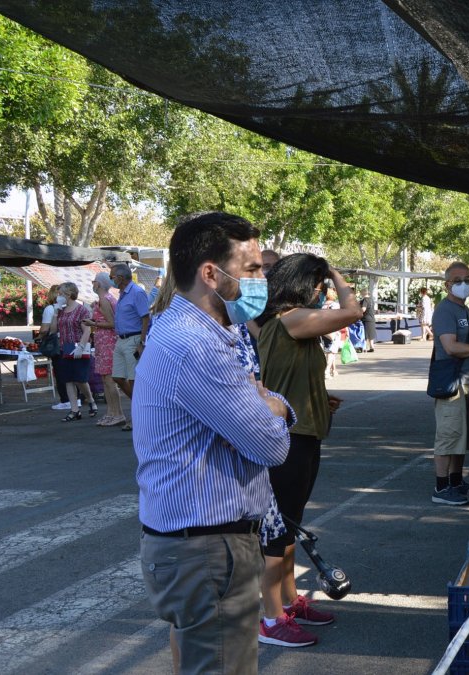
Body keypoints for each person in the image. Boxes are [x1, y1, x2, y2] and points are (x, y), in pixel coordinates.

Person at [135, 211, 293, 674]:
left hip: (198, 547)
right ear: (210, 273)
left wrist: (267, 402)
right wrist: (279, 408)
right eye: (253, 269)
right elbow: (270, 446)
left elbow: (255, 406)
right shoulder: (197, 345)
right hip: (208, 552)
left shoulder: (195, 333)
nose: (262, 279)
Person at [256, 254, 361, 647]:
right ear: (306, 284)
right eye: (320, 285)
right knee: (276, 534)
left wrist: (319, 397)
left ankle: (288, 602)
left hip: (303, 434)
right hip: (289, 440)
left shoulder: (289, 322)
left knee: (287, 532)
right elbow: (353, 311)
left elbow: (290, 377)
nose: (324, 292)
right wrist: (336, 273)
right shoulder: (292, 319)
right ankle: (270, 619)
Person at [429, 262, 469, 505]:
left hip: (467, 383)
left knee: (462, 436)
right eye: (458, 280)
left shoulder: (465, 310)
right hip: (452, 383)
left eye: (468, 279)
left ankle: (456, 481)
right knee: (448, 436)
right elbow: (451, 347)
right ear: (447, 284)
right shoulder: (445, 310)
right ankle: (441, 488)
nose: (464, 284)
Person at [110, 263, 152, 432]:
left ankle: (138, 416)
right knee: (117, 377)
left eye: (112, 276)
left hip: (133, 339)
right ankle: (141, 409)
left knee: (134, 381)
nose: (111, 279)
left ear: (120, 277)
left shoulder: (136, 292)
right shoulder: (122, 293)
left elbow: (146, 318)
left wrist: (142, 342)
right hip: (121, 339)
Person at [84, 273, 125, 427]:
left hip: (107, 342)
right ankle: (111, 412)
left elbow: (112, 323)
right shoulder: (107, 298)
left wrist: (93, 323)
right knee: (105, 379)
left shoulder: (104, 300)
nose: (92, 284)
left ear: (99, 284)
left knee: (109, 380)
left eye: (93, 281)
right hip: (104, 342)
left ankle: (117, 413)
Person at [52, 282, 97, 421]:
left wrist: (81, 346)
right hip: (65, 348)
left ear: (69, 294)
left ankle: (90, 401)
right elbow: (54, 330)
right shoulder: (61, 310)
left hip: (79, 347)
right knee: (68, 379)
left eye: (61, 294)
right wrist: (55, 313)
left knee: (80, 379)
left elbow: (87, 330)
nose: (58, 296)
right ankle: (74, 410)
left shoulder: (82, 310)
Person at [40, 284, 71, 411]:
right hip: (70, 342)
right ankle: (77, 398)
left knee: (60, 372)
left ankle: (65, 400)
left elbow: (46, 329)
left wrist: (40, 335)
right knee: (71, 371)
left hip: (57, 344)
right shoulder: (70, 307)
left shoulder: (50, 309)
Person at [360, 287, 377, 353]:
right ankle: (372, 347)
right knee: (371, 333)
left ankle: (364, 347)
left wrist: (359, 312)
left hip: (366, 319)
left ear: (363, 293)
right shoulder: (371, 300)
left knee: (365, 334)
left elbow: (363, 309)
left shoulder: (365, 300)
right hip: (372, 318)